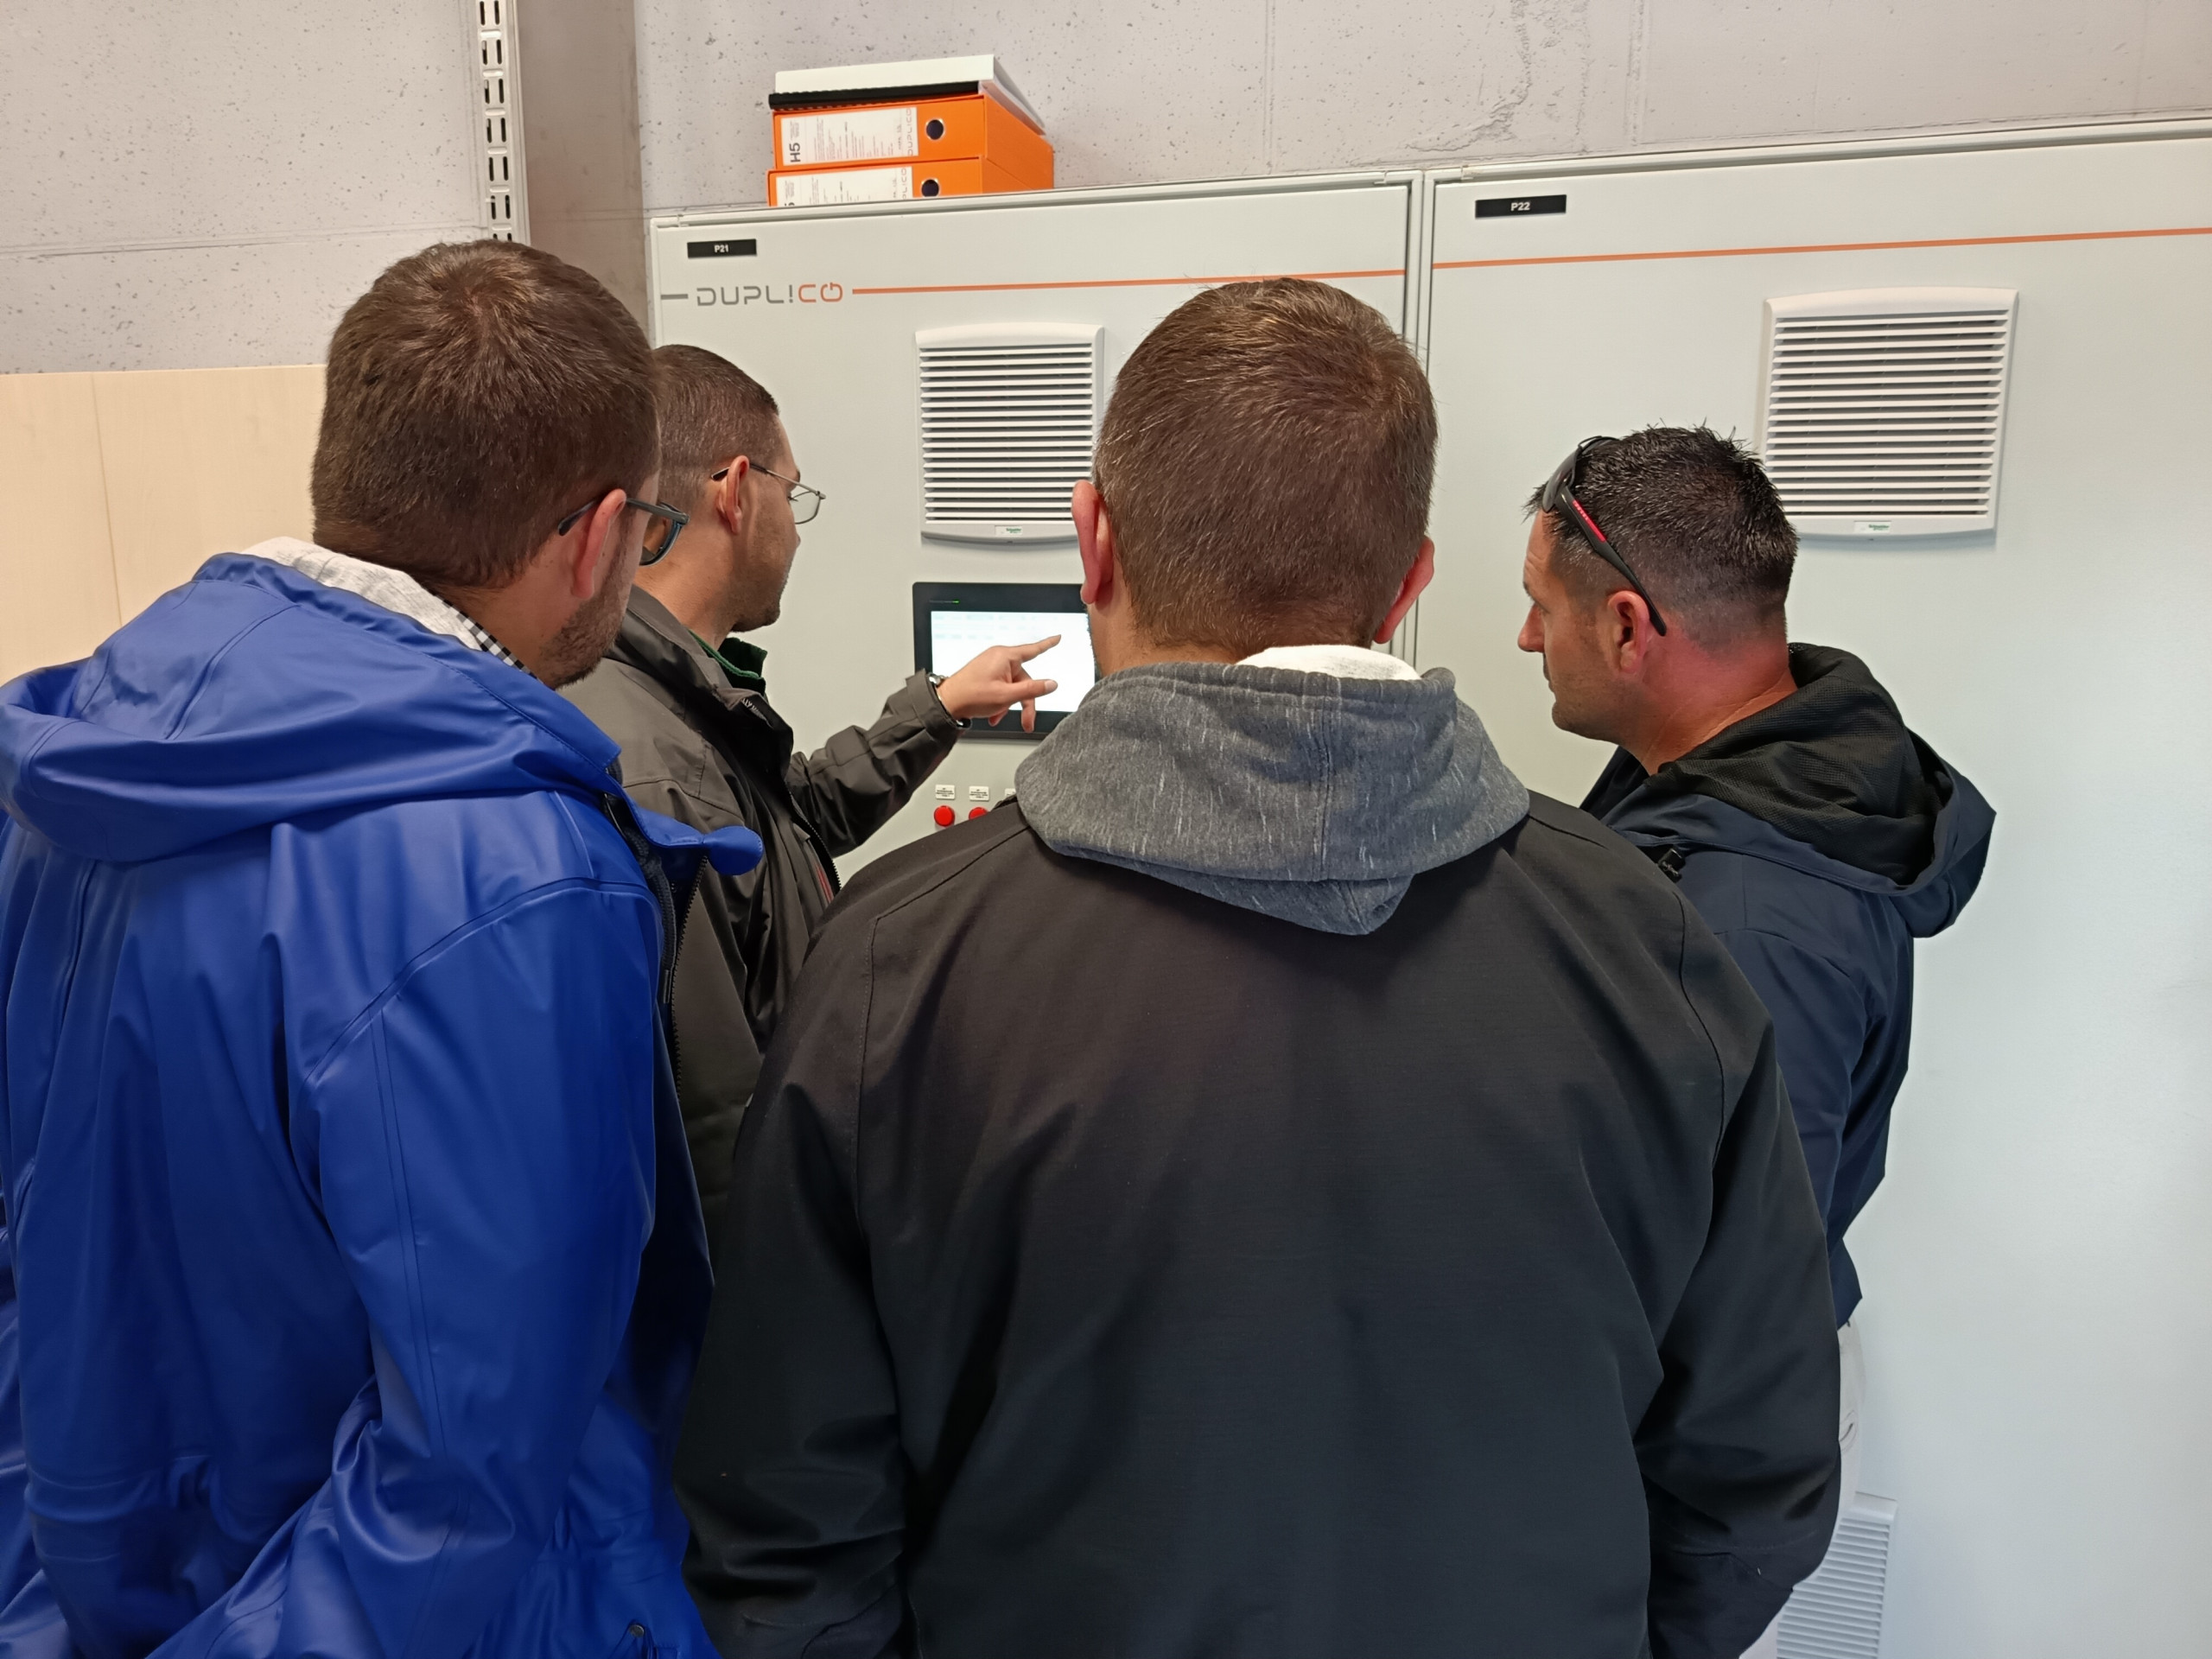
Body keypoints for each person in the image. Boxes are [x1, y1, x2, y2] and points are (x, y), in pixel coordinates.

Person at [674, 280, 1843, 1659]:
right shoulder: (1652, 947)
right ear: (1408, 585)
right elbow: (1749, 1491)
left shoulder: (897, 967)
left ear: (1093, 540)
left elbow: (789, 1526)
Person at [0, 240, 754, 1655]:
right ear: (598, 537)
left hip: (91, 1593)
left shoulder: (73, 774)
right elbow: (468, 1474)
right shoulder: (516, 878)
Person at [1515, 426, 1995, 1654]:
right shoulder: (1736, 783)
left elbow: (1745, 1310)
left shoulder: (1748, 915)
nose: (1524, 639)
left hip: (1694, 1463)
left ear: (1628, 626)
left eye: (1540, 609)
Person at [564, 345, 1058, 1229]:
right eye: (793, 497)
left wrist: (939, 707)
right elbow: (717, 1124)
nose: (794, 530)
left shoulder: (671, 697)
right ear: (736, 491)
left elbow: (785, 823)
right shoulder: (659, 767)